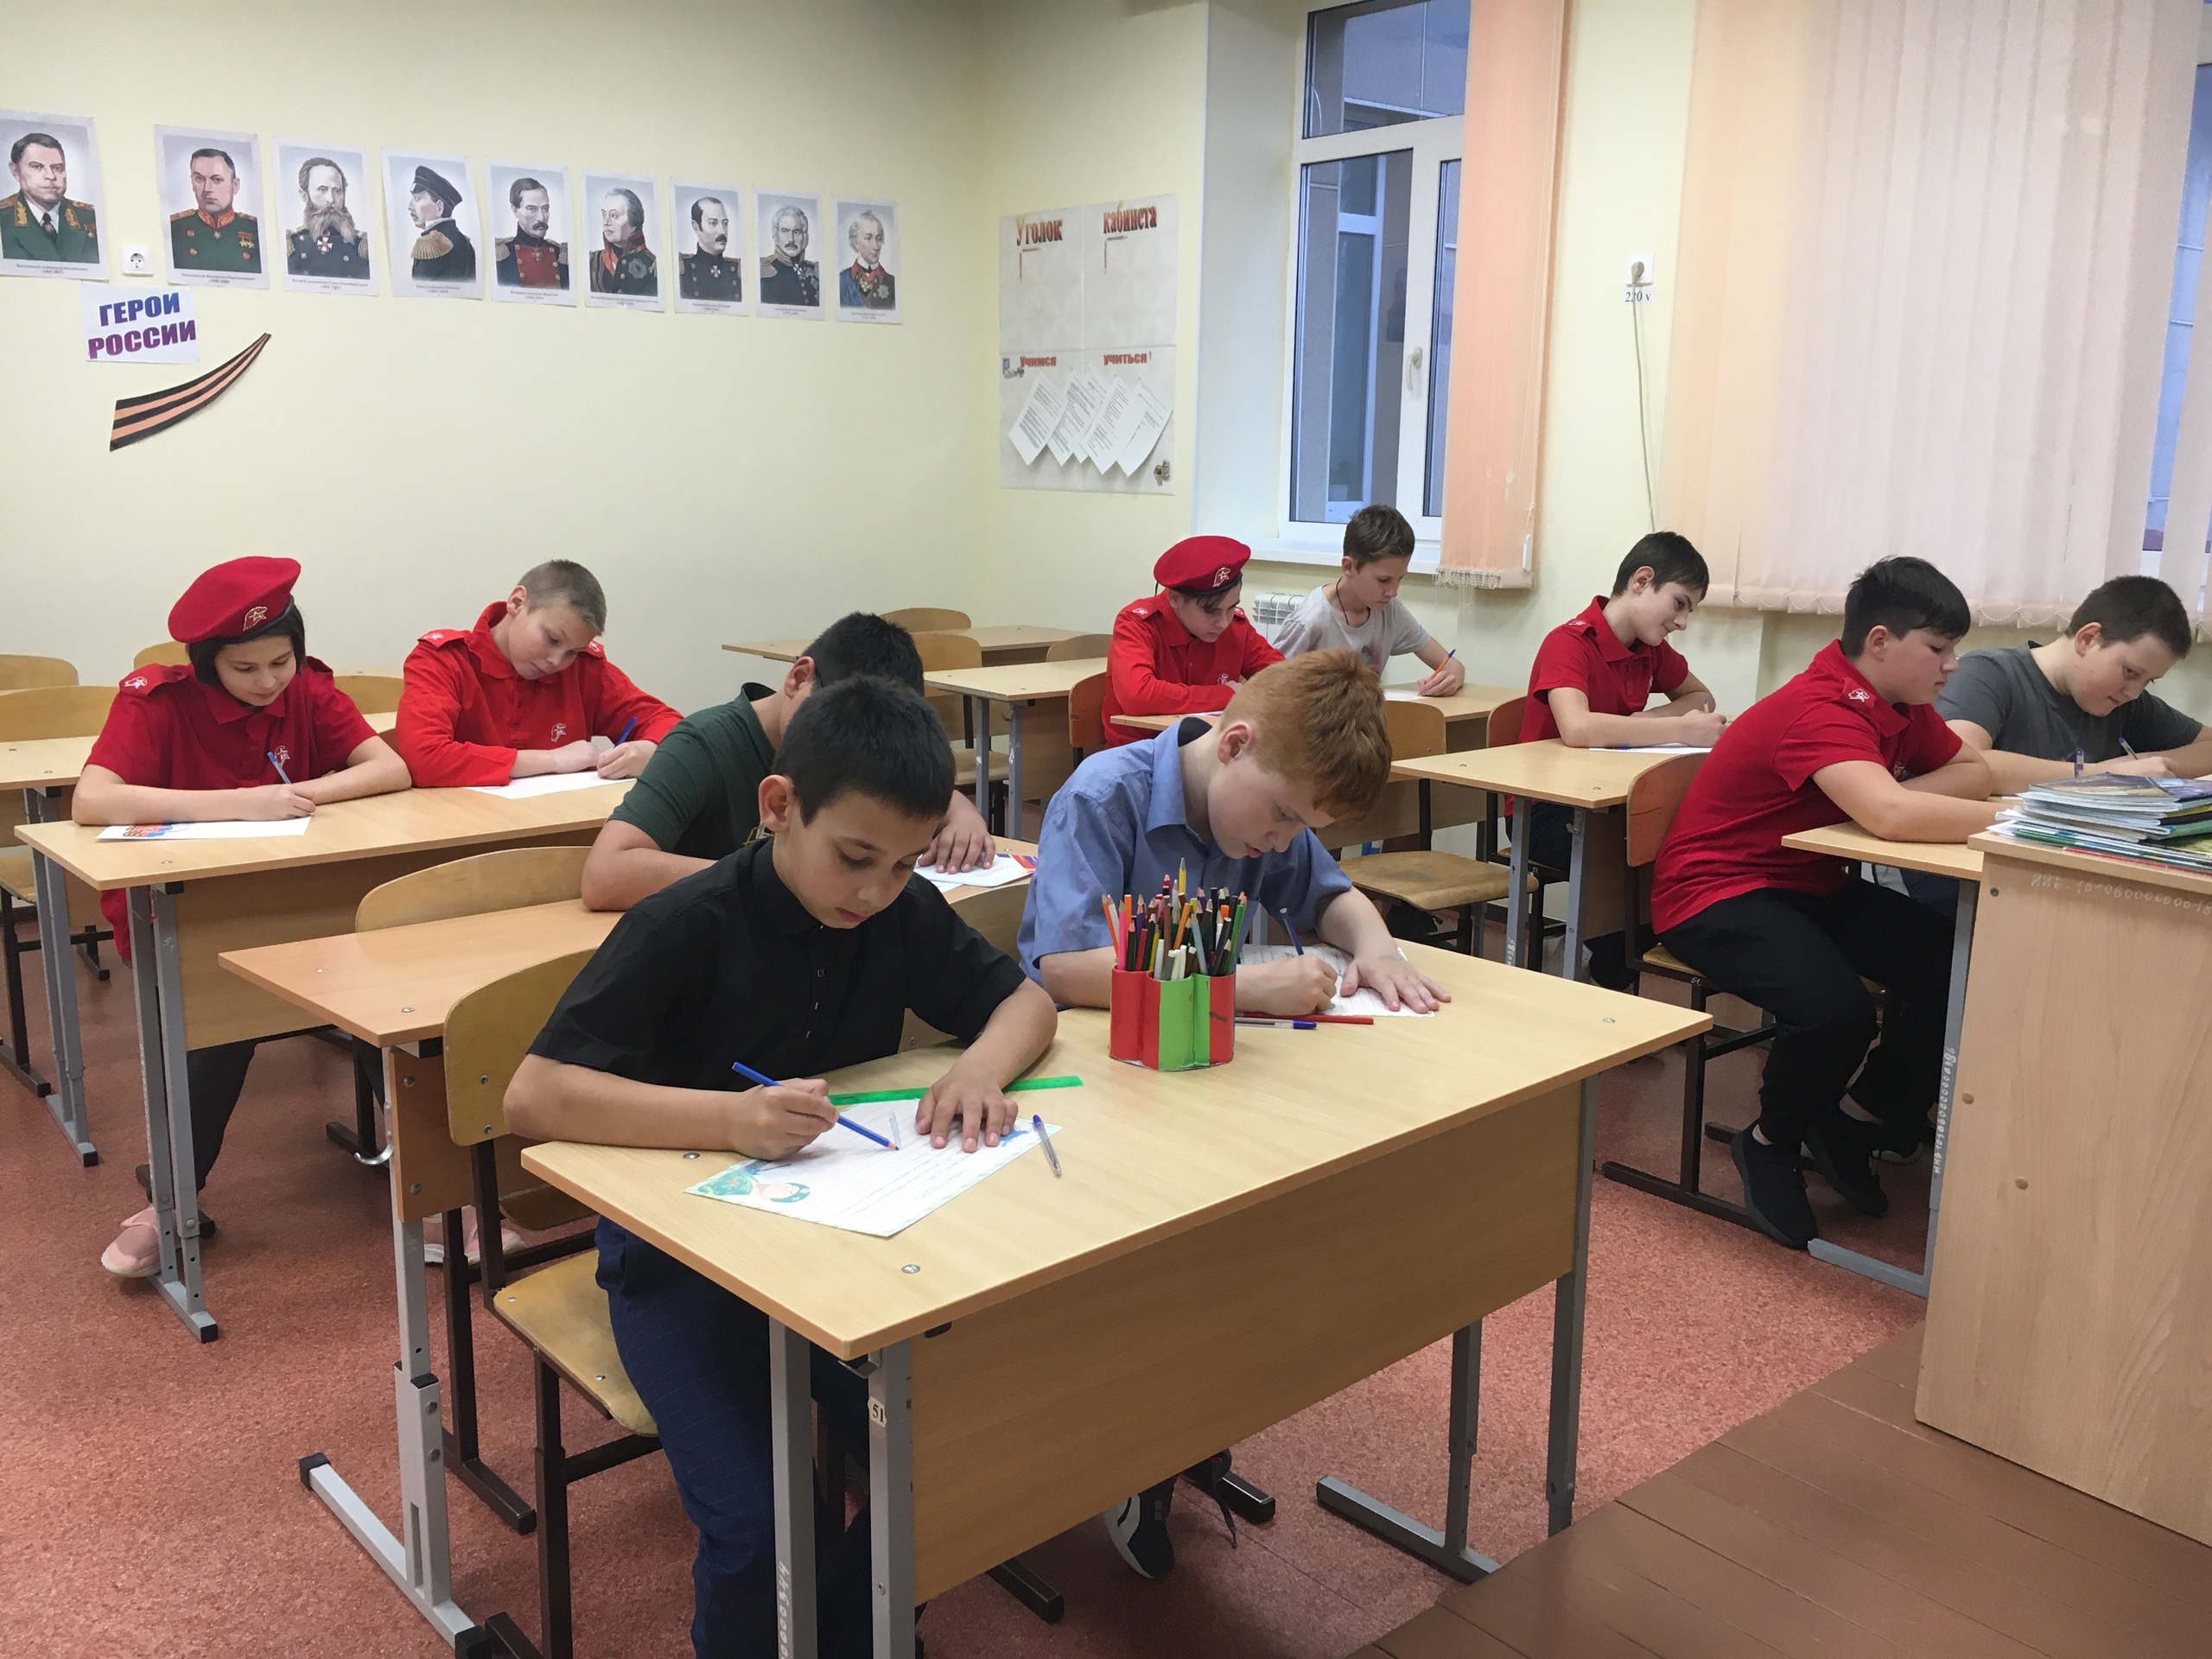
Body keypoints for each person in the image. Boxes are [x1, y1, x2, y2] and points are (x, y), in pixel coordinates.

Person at [505, 674, 1058, 1659]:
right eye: (855, 858)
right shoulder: (685, 922)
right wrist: (728, 1119)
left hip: (840, 1251)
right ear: (778, 807)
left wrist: (978, 1068)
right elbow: (533, 1095)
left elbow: (1026, 1002)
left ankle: (845, 1640)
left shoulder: (893, 908)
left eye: (903, 865)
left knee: (949, 1463)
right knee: (765, 1530)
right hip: (680, 1268)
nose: (875, 890)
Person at [1020, 648, 1445, 1579]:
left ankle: (1182, 1426)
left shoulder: (1261, 807)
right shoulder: (1105, 796)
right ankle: (1128, 1444)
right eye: (1284, 818)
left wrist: (1378, 948)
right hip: (1098, 1087)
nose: (1284, 843)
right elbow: (1064, 969)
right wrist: (1242, 985)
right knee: (1156, 1266)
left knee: (1246, 1247)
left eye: (1303, 828)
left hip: (1200, 1080)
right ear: (1237, 743)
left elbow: (1331, 895)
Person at [72, 557, 410, 1278]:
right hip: (186, 912)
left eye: (280, 662)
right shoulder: (156, 703)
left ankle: (431, 1183)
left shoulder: (308, 689)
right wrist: (240, 805)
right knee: (217, 1032)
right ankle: (172, 1201)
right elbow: (92, 800)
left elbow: (389, 769)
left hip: (303, 899)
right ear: (206, 663)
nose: (267, 682)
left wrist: (300, 795)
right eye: (244, 668)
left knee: (389, 1006)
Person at [1650, 557, 1999, 1251]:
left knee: (1958, 968)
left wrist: (1901, 800)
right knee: (1835, 1012)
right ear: (1880, 642)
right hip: (1714, 893)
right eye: (1938, 648)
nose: (1952, 666)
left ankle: (1854, 1115)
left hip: (1807, 882)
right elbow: (1890, 818)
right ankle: (1769, 1139)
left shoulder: (1900, 706)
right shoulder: (1821, 706)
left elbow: (1973, 770)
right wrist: (2009, 822)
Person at [580, 612, 994, 910]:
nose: (854, 750)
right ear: (799, 678)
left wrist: (963, 814)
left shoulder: (861, 755)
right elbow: (605, 874)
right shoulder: (703, 744)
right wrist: (773, 879)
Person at [1515, 531, 1727, 986]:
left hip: (1609, 803)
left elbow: (1702, 698)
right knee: (1640, 860)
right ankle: (1593, 965)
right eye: (1679, 604)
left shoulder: (1650, 651)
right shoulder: (1569, 642)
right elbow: (1577, 728)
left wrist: (1651, 720)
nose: (1682, 622)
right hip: (1547, 810)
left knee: (1679, 851)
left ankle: (1599, 965)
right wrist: (1677, 728)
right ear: (1641, 581)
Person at [395, 559, 680, 787]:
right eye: (552, 639)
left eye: (573, 651)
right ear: (517, 602)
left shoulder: (584, 669)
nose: (557, 660)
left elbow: (668, 723)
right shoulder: (443, 660)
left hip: (559, 826)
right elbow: (424, 757)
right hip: (461, 829)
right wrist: (552, 760)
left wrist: (649, 749)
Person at [1099, 535, 1284, 747]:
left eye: (1232, 607)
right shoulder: (1137, 624)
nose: (1223, 622)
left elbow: (1284, 677)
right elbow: (1137, 696)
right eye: (1210, 611)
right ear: (1175, 599)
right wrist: (1227, 694)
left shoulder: (1235, 628)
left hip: (1210, 751)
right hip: (1142, 752)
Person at [1274, 504, 1461, 693]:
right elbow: (1268, 690)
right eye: (1383, 580)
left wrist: (1449, 681)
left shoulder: (1390, 610)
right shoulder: (1310, 620)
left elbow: (1453, 666)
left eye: (1400, 579)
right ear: (1349, 567)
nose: (1393, 592)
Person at [1, 130, 98, 263]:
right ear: (16, 171)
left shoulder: (90, 217)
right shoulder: (4, 217)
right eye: (37, 167)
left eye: (57, 168)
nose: (51, 176)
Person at [168, 147, 259, 273]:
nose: (207, 188)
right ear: (192, 183)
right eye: (200, 179)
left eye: (217, 180)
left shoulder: (255, 230)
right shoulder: (174, 229)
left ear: (235, 186)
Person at [286, 156, 371, 280]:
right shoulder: (293, 244)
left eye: (337, 191)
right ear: (304, 195)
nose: (330, 199)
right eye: (322, 190)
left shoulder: (362, 246)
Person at [493, 175, 568, 289]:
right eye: (532, 209)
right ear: (515, 209)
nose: (541, 218)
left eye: (545, 209)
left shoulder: (562, 255)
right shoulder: (500, 256)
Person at [405, 165, 474, 282]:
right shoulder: (458, 240)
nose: (410, 206)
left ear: (439, 208)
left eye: (417, 198)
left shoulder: (439, 245)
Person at [591, 186, 658, 296]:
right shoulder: (592, 261)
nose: (606, 222)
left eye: (614, 215)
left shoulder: (652, 265)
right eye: (604, 215)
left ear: (633, 221)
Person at [679, 195, 741, 301]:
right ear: (696, 227)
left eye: (725, 224)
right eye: (713, 223)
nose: (722, 231)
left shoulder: (738, 270)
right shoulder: (683, 269)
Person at [760, 203, 819, 307]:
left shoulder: (816, 271)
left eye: (796, 232)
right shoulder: (762, 269)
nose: (791, 239)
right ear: (776, 235)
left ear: (804, 237)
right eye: (785, 231)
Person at [838, 209, 894, 309]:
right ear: (855, 242)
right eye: (868, 238)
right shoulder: (842, 280)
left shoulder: (892, 283)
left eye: (879, 239)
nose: (876, 246)